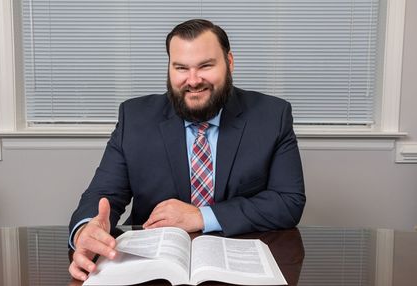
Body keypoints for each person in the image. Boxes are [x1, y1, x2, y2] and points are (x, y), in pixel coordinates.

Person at [68, 19, 305, 281]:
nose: (193, 80)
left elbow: (288, 201)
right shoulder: (134, 118)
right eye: (181, 68)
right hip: (155, 269)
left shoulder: (272, 116)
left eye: (205, 65)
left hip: (240, 265)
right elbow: (103, 195)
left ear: (229, 62)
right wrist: (85, 231)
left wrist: (202, 216)